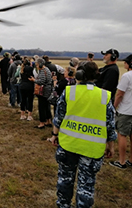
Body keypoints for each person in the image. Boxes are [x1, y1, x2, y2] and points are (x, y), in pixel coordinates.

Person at [49, 61, 117, 208]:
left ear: (79, 74)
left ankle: (63, 205)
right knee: (86, 186)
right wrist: (110, 146)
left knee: (65, 180)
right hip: (92, 149)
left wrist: (54, 135)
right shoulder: (104, 96)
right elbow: (110, 125)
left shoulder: (69, 92)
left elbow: (58, 118)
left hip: (68, 145)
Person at [109, 54, 132, 169]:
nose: (124, 63)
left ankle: (121, 162)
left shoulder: (127, 76)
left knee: (122, 134)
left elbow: (120, 94)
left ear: (131, 64)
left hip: (126, 110)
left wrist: (114, 107)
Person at [29, 58, 53, 128]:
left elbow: (42, 81)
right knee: (47, 106)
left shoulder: (43, 71)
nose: (36, 66)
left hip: (43, 91)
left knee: (42, 107)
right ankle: (48, 121)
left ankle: (42, 123)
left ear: (41, 64)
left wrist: (34, 80)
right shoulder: (47, 70)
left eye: (37, 65)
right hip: (48, 91)